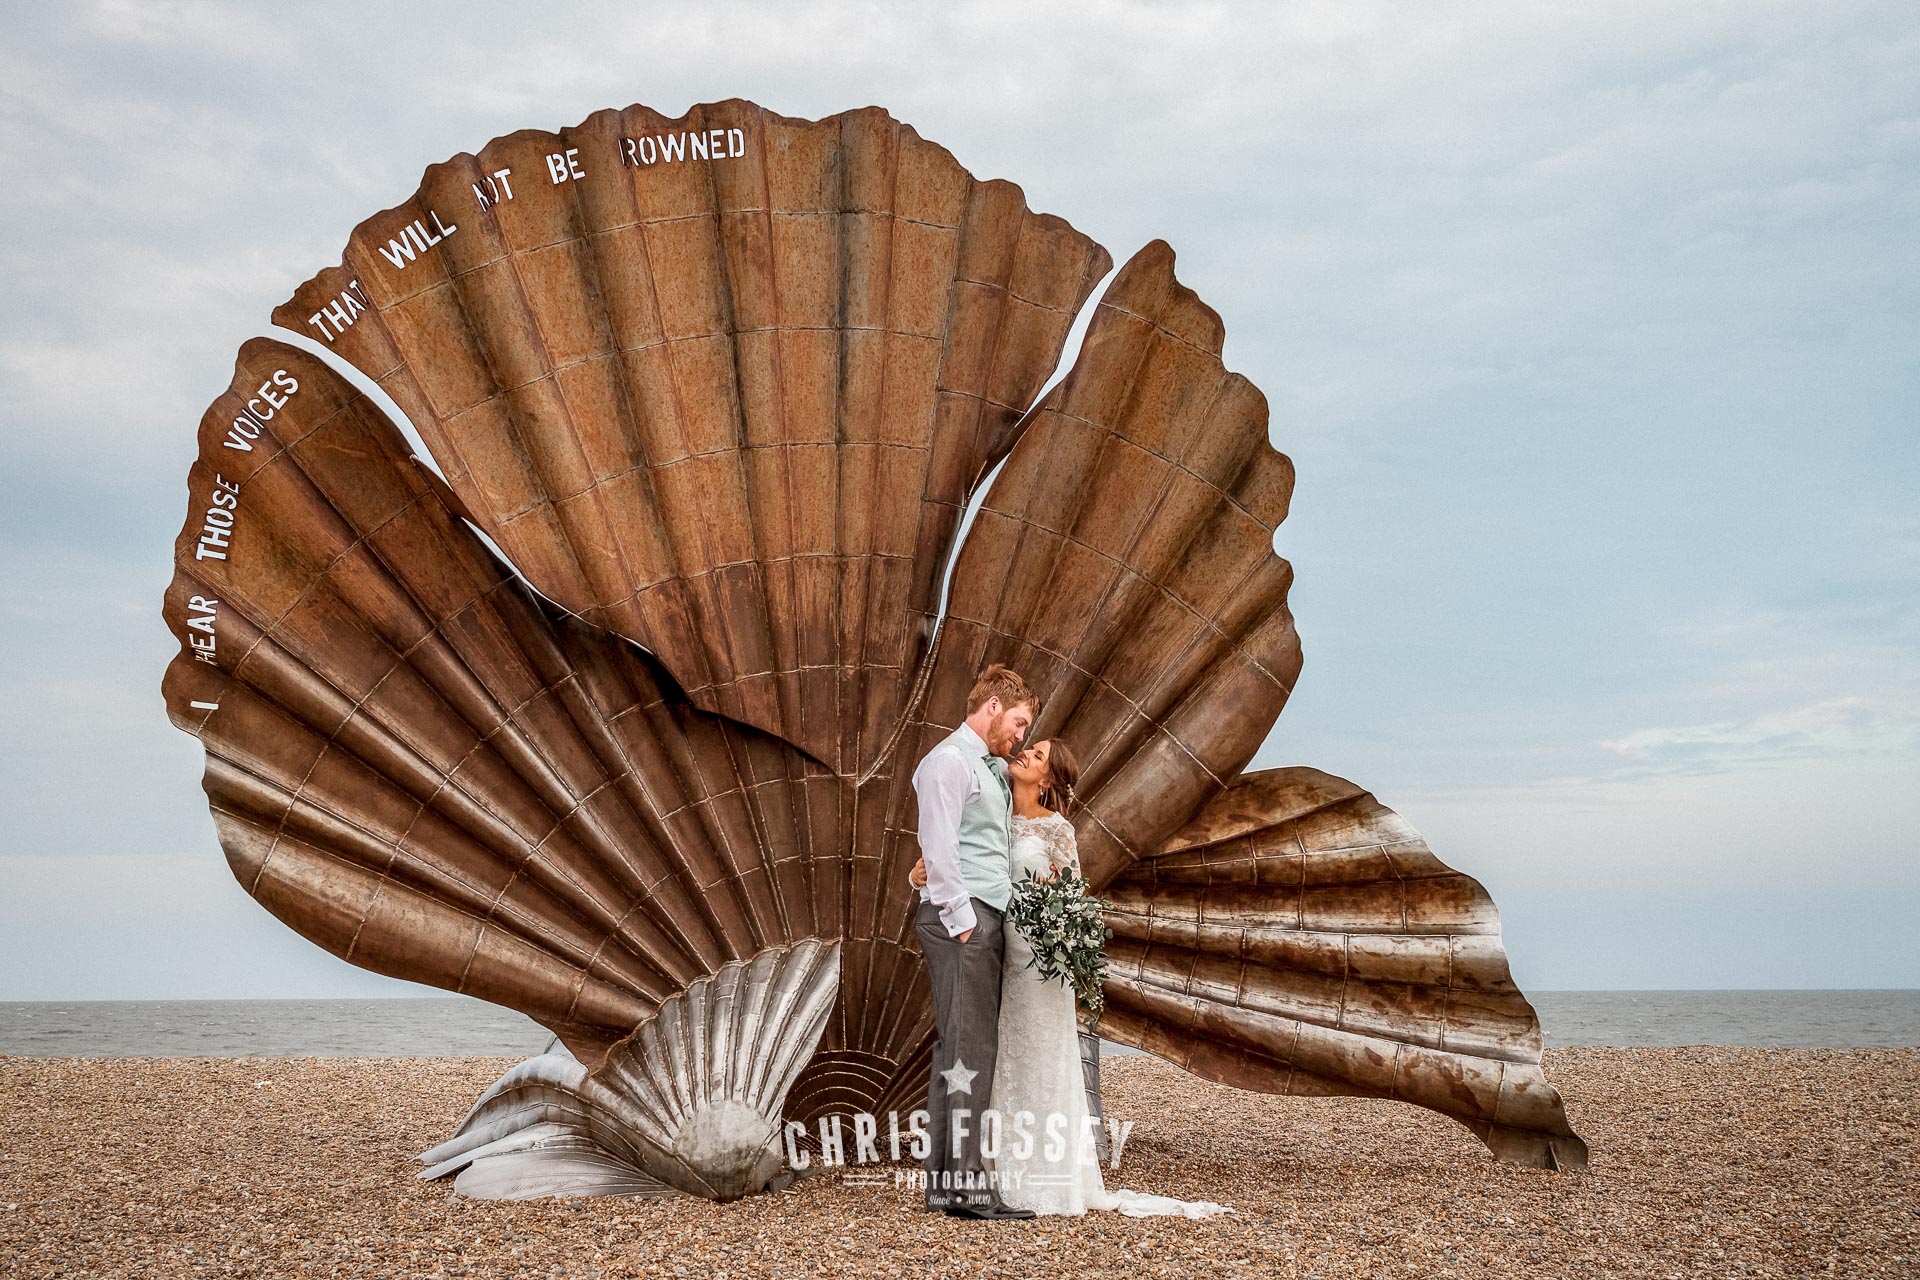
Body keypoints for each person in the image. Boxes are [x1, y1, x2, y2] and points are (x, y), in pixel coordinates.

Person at [913, 738, 1234, 1219]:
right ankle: (989, 1175)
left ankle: (1045, 1175)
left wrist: (1063, 939)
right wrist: (920, 874)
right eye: (1029, 746)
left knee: (1041, 1054)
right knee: (994, 1058)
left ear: (1047, 780)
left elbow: (1073, 897)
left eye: (1038, 755)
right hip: (992, 951)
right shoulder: (991, 813)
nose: (1025, 753)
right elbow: (952, 859)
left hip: (1038, 962)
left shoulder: (1057, 829)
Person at [910, 663, 1039, 1220]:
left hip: (979, 916)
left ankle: (946, 1185)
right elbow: (937, 847)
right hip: (964, 922)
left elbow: (967, 844)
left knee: (959, 1051)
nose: (1021, 735)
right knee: (969, 1053)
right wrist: (964, 923)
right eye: (1019, 721)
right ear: (992, 708)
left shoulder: (983, 766)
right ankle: (966, 1187)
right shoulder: (948, 762)